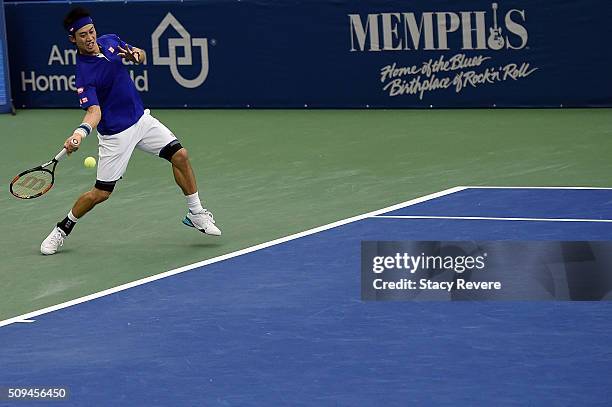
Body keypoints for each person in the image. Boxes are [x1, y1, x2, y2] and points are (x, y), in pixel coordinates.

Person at [41, 7, 221, 255]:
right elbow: (94, 111)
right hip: (115, 135)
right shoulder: (84, 74)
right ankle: (62, 228)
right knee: (100, 194)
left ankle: (196, 212)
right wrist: (80, 133)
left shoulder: (110, 41)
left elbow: (141, 55)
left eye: (91, 31)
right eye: (83, 35)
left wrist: (137, 55)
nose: (90, 38)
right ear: (73, 39)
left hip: (141, 120)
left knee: (180, 155)